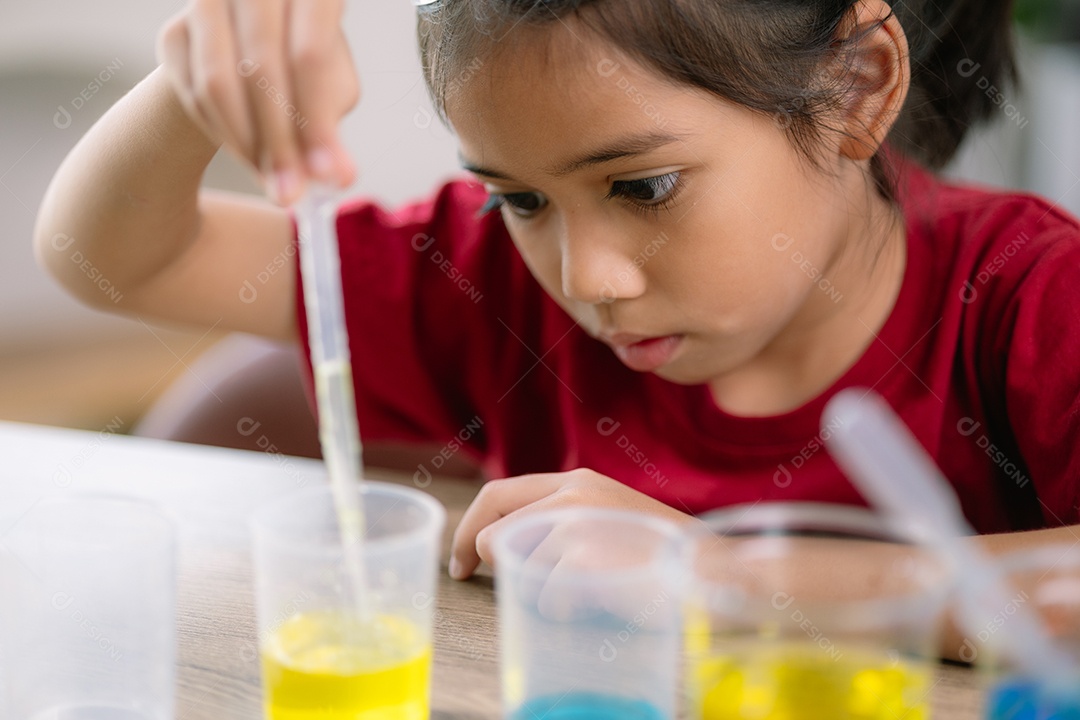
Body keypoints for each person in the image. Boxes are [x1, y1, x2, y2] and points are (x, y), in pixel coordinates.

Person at [34, 0, 1080, 659]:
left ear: (858, 88)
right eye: (520, 198)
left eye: (645, 184)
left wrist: (713, 575)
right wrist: (198, 84)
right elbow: (125, 259)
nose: (589, 279)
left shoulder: (1033, 296)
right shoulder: (492, 283)